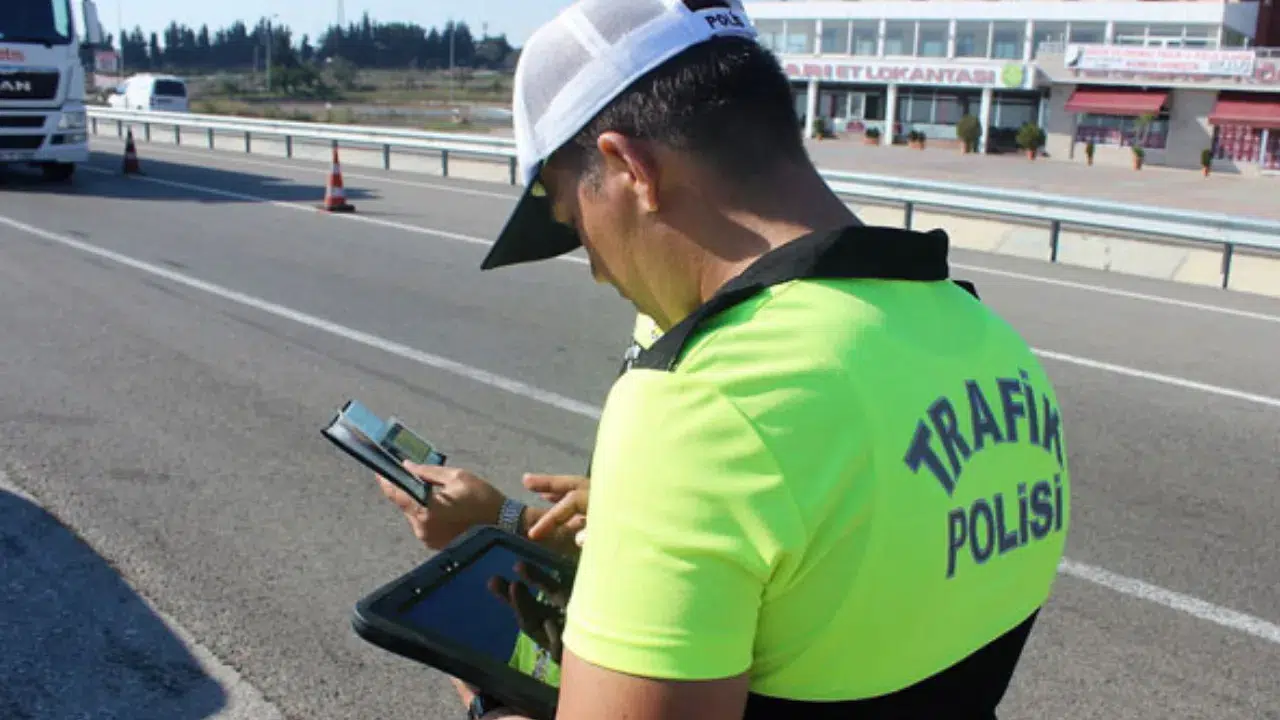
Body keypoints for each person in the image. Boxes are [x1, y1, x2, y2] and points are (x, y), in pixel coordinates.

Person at [381, 1, 1073, 719]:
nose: (596, 270)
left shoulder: (703, 407)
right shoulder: (993, 343)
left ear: (628, 167)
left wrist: (487, 693)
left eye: (575, 223)